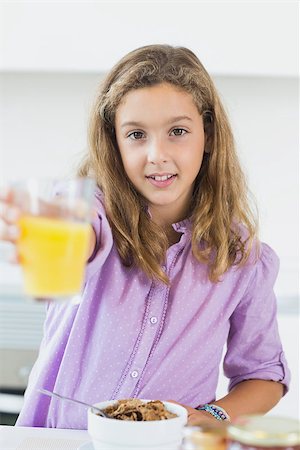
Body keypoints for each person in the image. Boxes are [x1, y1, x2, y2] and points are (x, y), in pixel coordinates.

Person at [0, 44, 290, 429]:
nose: (157, 154)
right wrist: (51, 238)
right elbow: (83, 237)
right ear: (114, 143)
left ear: (209, 135)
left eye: (178, 132)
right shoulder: (91, 214)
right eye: (136, 134)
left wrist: (211, 417)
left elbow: (264, 375)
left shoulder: (241, 259)